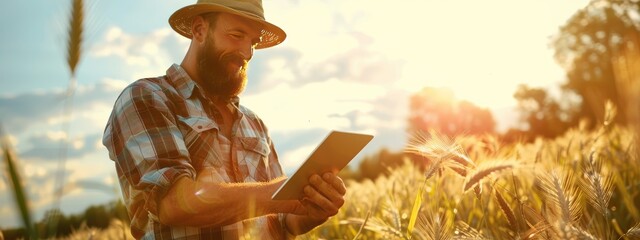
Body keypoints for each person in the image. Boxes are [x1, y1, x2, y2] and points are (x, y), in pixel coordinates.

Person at [102, 0, 347, 239]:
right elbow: (171, 203)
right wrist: (281, 193)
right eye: (236, 35)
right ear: (199, 30)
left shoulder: (256, 123)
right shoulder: (147, 97)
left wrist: (312, 209)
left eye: (253, 42)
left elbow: (283, 222)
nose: (247, 53)